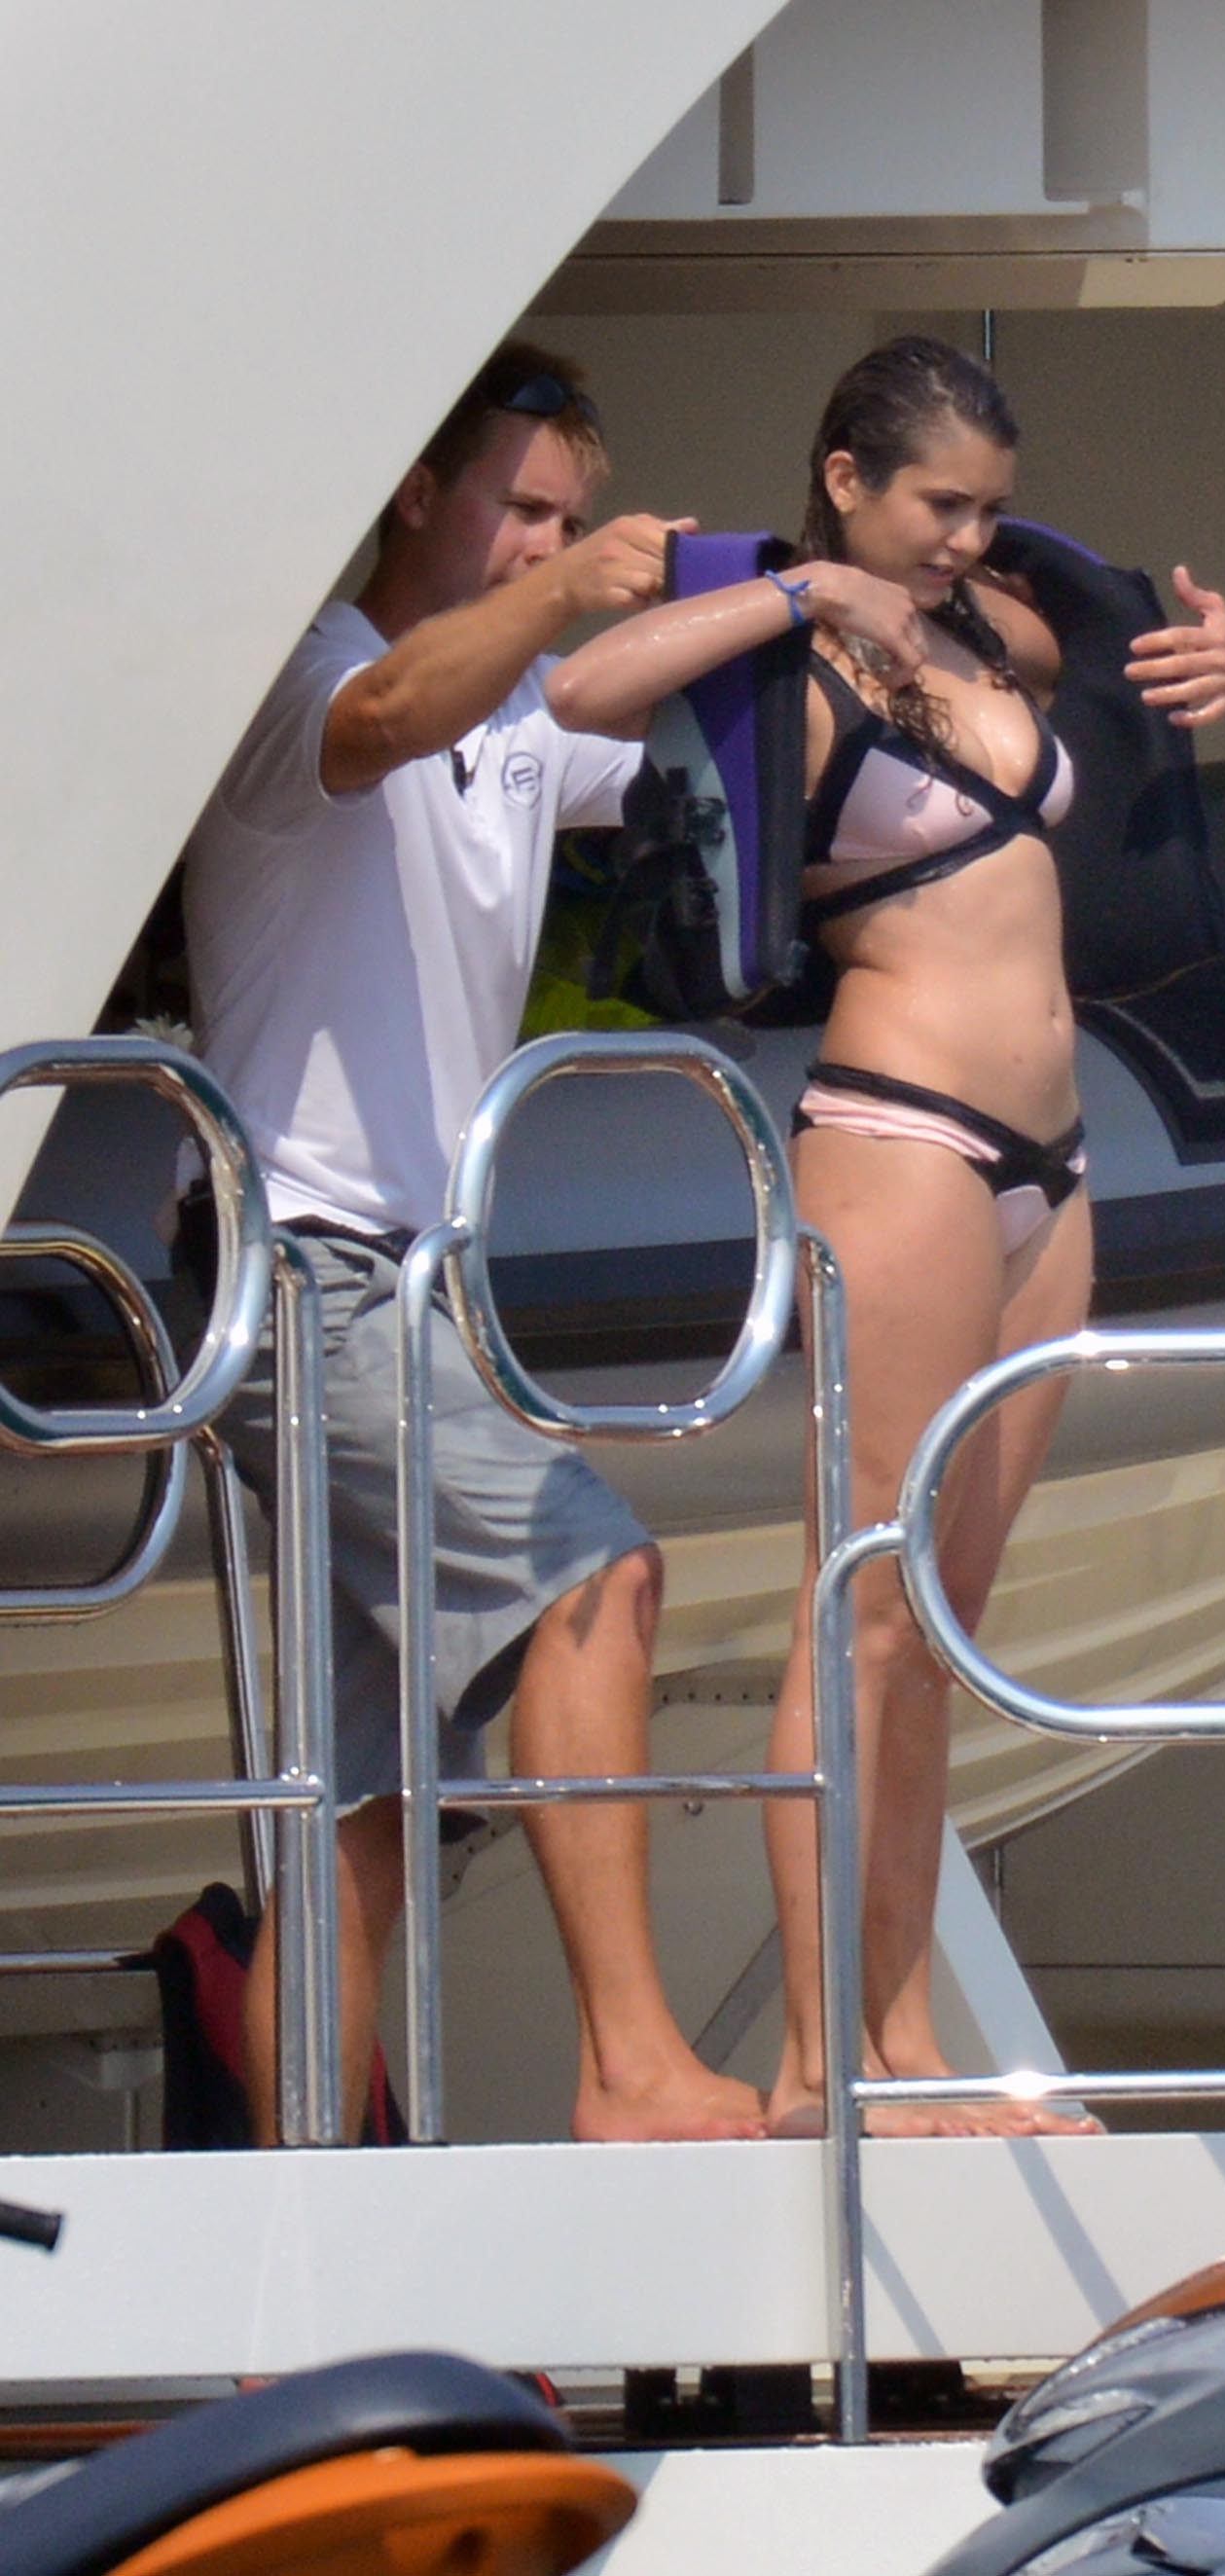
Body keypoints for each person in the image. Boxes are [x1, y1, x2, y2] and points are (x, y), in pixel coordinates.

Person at [546, 334, 1225, 2135]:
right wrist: (803, 589)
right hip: (903, 1139)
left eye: (990, 510)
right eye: (940, 504)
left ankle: (911, 2045)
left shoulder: (993, 636)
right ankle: (825, 2065)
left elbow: (1134, 657)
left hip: (1052, 1154)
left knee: (940, 1625)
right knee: (865, 1602)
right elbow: (584, 689)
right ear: (847, 475)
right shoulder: (793, 658)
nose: (966, 539)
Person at [180, 340, 766, 2145]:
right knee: (596, 1579)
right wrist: (570, 599)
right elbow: (383, 720)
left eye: (569, 518)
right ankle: (631, 2065)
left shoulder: (514, 711)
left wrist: (819, 596)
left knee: (359, 1808)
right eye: (521, 508)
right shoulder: (303, 674)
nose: (546, 543)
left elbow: (650, 718)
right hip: (304, 1262)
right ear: (417, 489)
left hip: (398, 1281)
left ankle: (295, 2216)